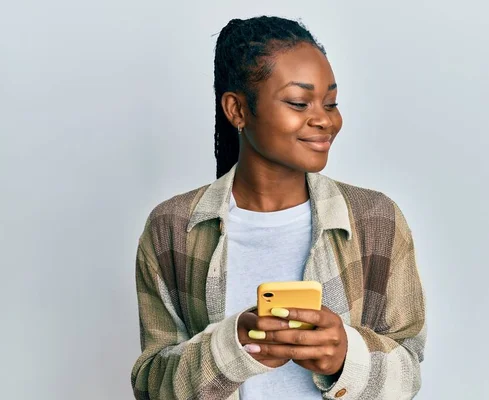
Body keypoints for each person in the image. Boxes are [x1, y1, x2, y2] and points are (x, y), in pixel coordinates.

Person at [130, 15, 427, 400]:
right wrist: (230, 349)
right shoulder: (171, 227)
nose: (324, 119)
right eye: (299, 102)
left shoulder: (376, 220)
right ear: (237, 110)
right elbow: (152, 386)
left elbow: (409, 373)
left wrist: (345, 357)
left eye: (331, 102)